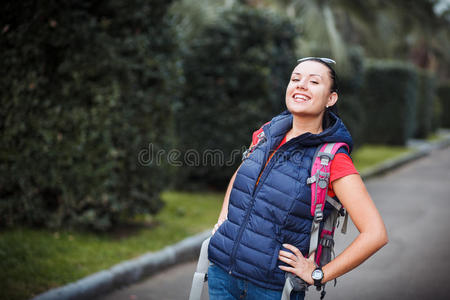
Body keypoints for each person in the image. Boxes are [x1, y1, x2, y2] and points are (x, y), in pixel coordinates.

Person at [207, 57, 388, 300]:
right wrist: (223, 222)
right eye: (295, 79)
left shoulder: (332, 159)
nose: (301, 85)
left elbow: (375, 234)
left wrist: (318, 275)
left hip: (271, 290)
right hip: (221, 275)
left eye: (314, 81)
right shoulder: (266, 133)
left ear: (330, 98)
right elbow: (242, 175)